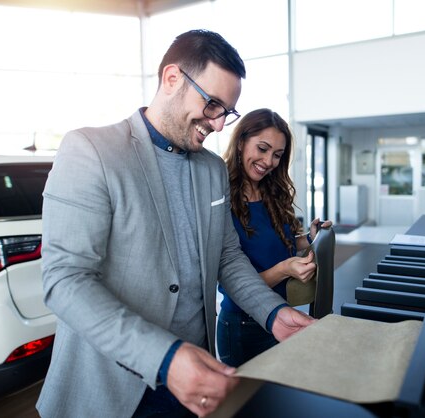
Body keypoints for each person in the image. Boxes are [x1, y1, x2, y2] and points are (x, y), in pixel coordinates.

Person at [36, 30, 315, 418]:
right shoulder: (91, 151)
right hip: (114, 387)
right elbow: (65, 281)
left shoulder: (212, 170)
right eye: (213, 104)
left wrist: (273, 312)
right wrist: (166, 358)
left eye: (227, 112)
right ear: (171, 78)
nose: (219, 125)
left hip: (195, 378)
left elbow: (228, 258)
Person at [217, 108, 332, 367]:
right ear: (241, 142)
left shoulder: (271, 191)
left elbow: (280, 242)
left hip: (281, 313)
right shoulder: (220, 198)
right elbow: (235, 286)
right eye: (262, 148)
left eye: (277, 155)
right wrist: (284, 269)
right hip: (243, 325)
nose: (269, 161)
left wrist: (307, 238)